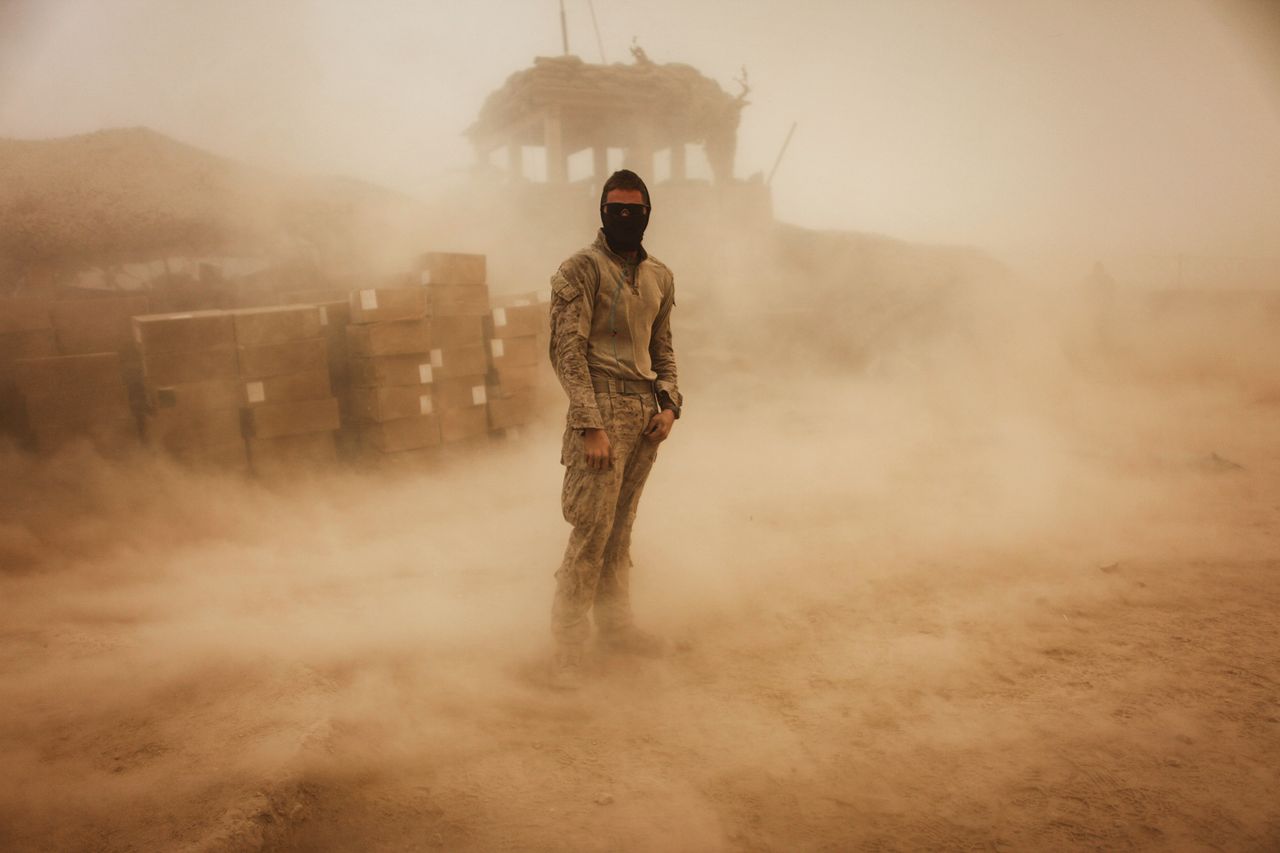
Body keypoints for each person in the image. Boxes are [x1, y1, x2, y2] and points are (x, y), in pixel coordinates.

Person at [546, 169, 683, 690]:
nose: (625, 218)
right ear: (602, 211)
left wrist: (669, 404)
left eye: (635, 210)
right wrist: (588, 423)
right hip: (599, 406)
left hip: (644, 413)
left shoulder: (661, 277)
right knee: (591, 532)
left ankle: (618, 629)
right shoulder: (580, 269)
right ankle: (569, 649)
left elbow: (664, 347)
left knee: (620, 531)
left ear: (648, 213)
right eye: (615, 209)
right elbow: (567, 351)